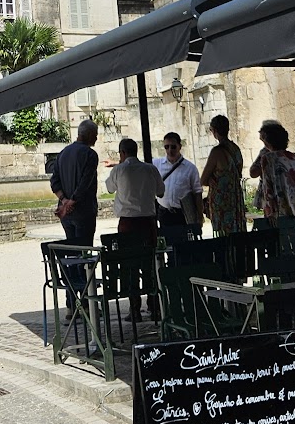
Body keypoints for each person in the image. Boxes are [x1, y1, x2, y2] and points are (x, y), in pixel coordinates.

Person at [104, 137, 164, 320]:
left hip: (128, 223)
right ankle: (154, 305)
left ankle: (135, 308)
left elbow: (109, 189)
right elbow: (161, 192)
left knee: (130, 264)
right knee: (150, 264)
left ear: (122, 153)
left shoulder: (119, 170)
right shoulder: (150, 169)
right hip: (148, 222)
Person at [249, 120, 295, 229]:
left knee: (284, 242)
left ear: (268, 141)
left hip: (286, 209)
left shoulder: (268, 158)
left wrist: (271, 212)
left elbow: (268, 188)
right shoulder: (294, 156)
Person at [50, 119, 99, 249]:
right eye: (95, 134)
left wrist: (64, 201)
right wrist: (72, 201)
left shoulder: (62, 154)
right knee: (85, 253)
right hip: (84, 211)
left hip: (66, 213)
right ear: (88, 135)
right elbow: (85, 182)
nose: (96, 138)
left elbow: (54, 182)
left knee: (72, 252)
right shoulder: (90, 155)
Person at [155, 131, 203, 246]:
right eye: (167, 147)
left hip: (182, 215)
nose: (170, 150)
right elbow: (138, 167)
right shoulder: (156, 164)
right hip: (164, 214)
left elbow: (197, 193)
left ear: (179, 147)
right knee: (168, 247)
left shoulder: (190, 168)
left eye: (173, 147)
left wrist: (199, 216)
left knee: (184, 247)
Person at [200, 113, 245, 235]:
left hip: (222, 200)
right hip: (235, 196)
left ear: (214, 131)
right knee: (238, 232)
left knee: (224, 235)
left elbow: (203, 180)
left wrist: (211, 180)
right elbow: (238, 173)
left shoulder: (217, 152)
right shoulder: (236, 149)